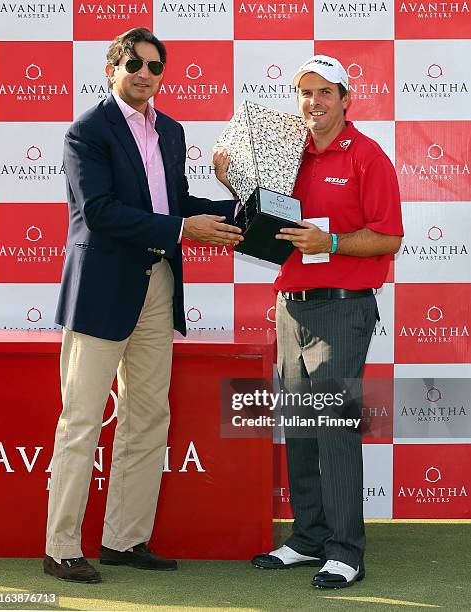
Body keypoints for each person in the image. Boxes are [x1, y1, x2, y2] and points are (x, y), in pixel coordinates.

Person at [44, 27, 243, 584]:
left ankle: (124, 541)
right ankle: (60, 547)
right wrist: (185, 227)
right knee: (81, 421)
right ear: (113, 68)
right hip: (102, 291)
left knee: (148, 418)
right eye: (133, 62)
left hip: (158, 285)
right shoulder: (88, 130)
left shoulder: (173, 131)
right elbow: (100, 213)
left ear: (162, 74)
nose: (144, 73)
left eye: (154, 66)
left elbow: (176, 203)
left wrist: (241, 210)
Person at [215, 55, 403, 588]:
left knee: (333, 426)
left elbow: (389, 237)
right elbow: (261, 215)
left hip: (344, 306)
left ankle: (346, 550)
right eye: (305, 93)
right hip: (291, 305)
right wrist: (232, 177)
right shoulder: (288, 152)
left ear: (346, 99)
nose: (313, 103)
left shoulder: (368, 156)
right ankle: (308, 538)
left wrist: (335, 242)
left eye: (324, 92)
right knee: (300, 425)